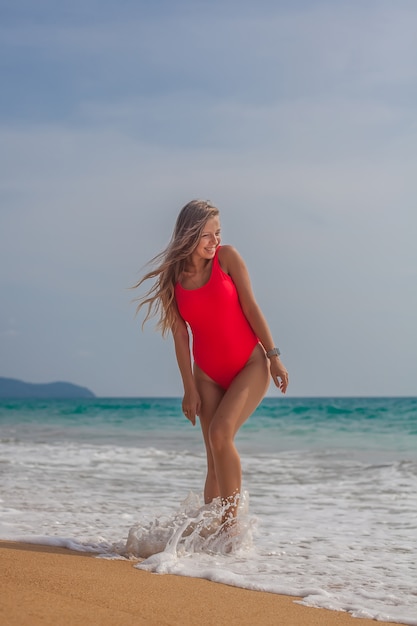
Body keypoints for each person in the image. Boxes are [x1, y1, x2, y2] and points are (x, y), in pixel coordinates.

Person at [133, 199, 289, 528]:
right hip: (206, 375)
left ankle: (232, 532)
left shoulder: (227, 259)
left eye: (218, 233)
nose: (214, 242)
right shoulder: (173, 280)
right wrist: (189, 389)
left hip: (250, 364)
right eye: (207, 235)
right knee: (212, 459)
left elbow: (250, 306)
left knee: (221, 434)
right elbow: (180, 336)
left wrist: (274, 357)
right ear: (189, 234)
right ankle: (212, 534)